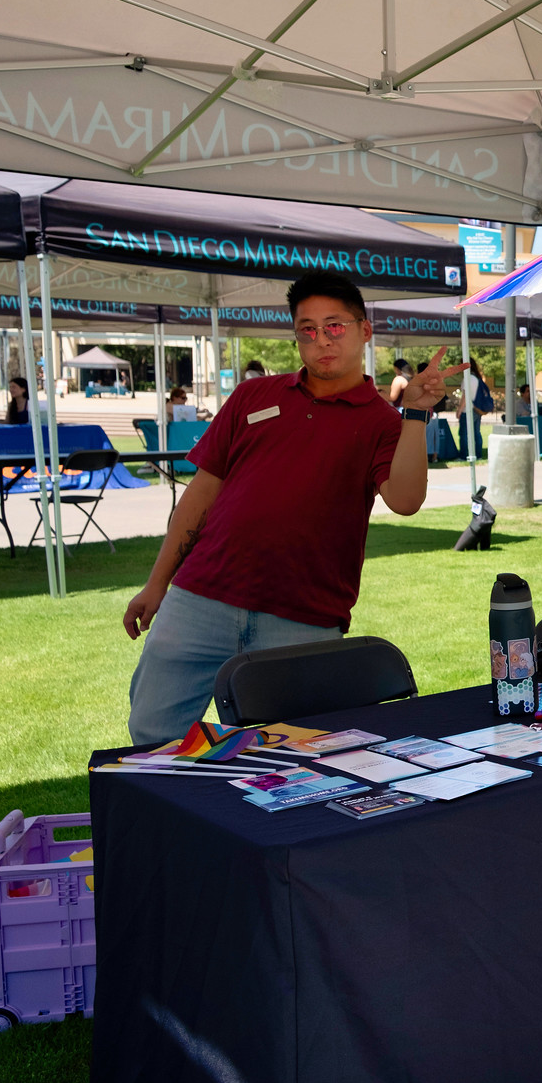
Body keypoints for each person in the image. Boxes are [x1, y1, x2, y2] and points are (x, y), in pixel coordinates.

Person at [121, 271, 464, 746]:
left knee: (295, 754)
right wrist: (157, 584)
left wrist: (417, 414)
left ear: (365, 331)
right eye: (308, 329)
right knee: (153, 737)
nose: (321, 340)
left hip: (303, 615)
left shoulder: (384, 422)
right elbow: (200, 495)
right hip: (200, 599)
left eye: (335, 326)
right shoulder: (252, 396)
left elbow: (406, 501)